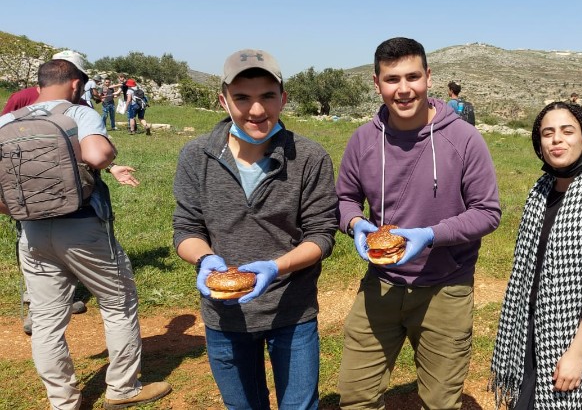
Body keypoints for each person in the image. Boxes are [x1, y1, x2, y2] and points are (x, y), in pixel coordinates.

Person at [335, 37, 501, 409]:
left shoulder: (463, 139)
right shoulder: (363, 140)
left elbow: (487, 211)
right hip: (381, 286)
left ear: (428, 77)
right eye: (392, 79)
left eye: (413, 76)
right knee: (355, 397)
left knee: (440, 403)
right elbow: (344, 198)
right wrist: (354, 223)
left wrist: (430, 235)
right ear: (376, 83)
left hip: (445, 289)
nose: (404, 89)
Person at [1, 52, 169, 409]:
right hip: (81, 226)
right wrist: (105, 152)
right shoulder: (79, 112)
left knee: (46, 319)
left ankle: (63, 401)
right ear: (76, 84)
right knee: (117, 302)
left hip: (31, 232)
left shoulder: (7, 122)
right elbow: (96, 156)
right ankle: (124, 389)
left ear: (39, 84)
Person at [172, 48, 338, 409]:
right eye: (242, 98)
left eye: (267, 96)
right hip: (224, 314)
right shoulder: (196, 155)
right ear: (223, 100)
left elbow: (322, 235)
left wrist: (276, 267)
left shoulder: (309, 157)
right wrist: (205, 259)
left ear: (283, 98)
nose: (257, 110)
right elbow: (186, 228)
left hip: (291, 311)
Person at [490, 101, 582, 409]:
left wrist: (575, 354)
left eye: (568, 131)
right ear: (539, 144)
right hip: (532, 333)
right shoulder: (540, 195)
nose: (557, 140)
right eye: (548, 133)